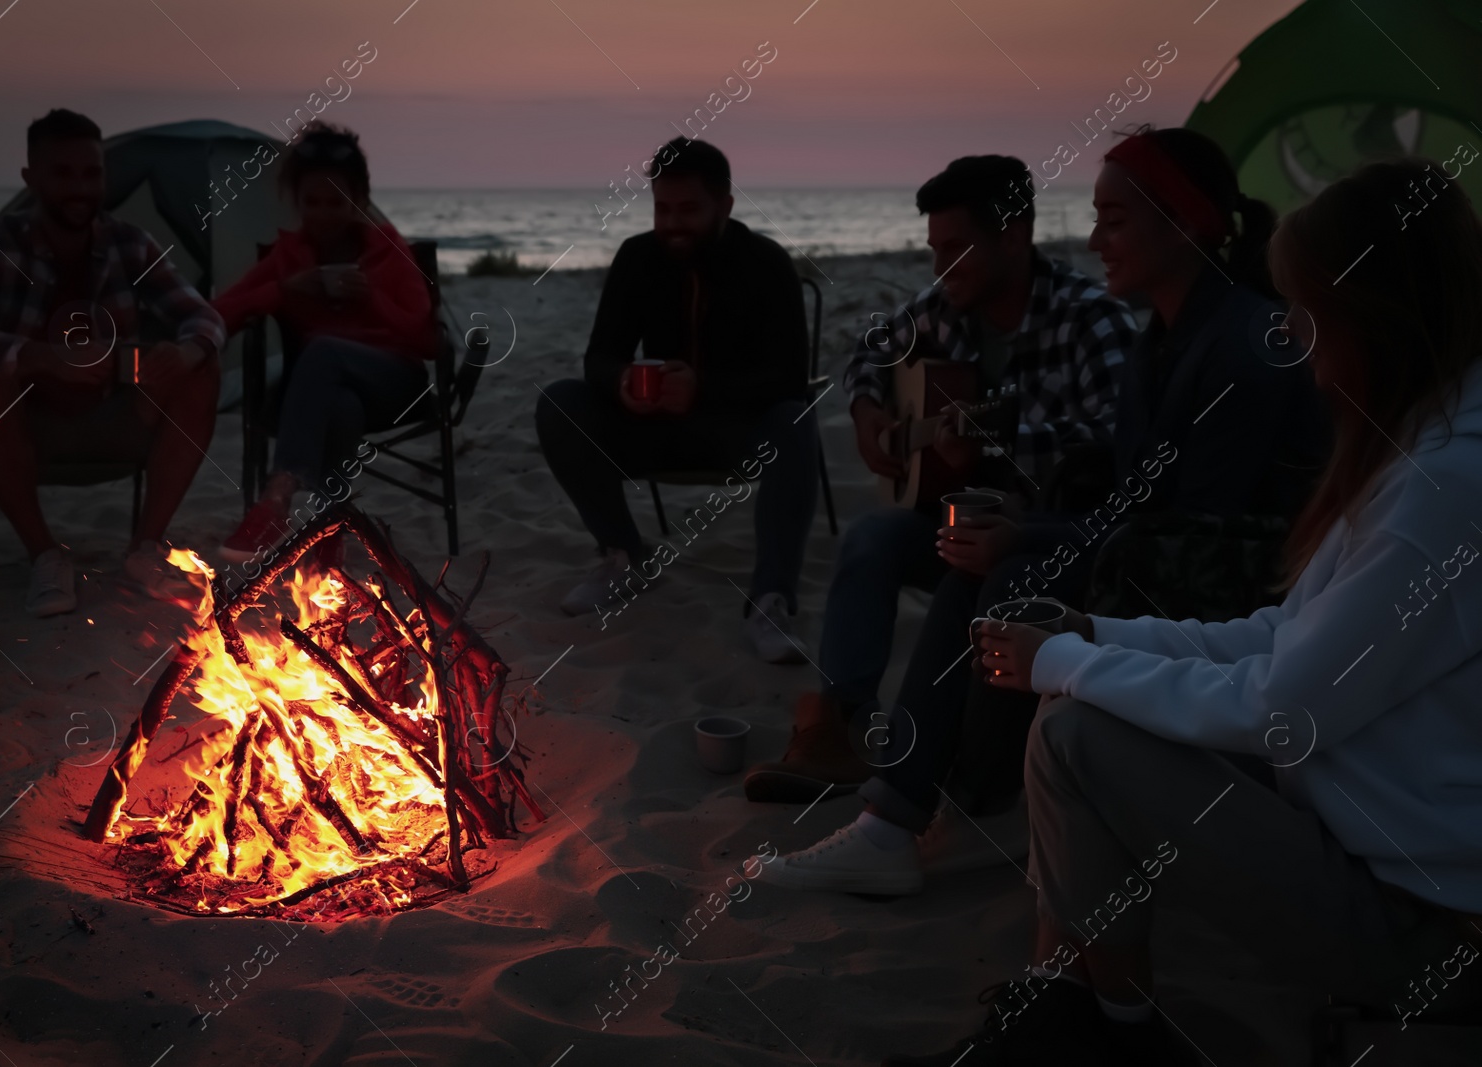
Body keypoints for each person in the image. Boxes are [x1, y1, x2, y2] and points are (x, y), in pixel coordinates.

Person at [881, 157, 1482, 1065]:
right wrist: (1093, 635)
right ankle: (1078, 1010)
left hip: (1427, 924)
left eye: (1308, 306)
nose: (1290, 331)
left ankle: (1092, 1024)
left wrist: (1060, 660)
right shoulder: (1429, 446)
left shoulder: (1442, 488)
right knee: (1075, 711)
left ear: (1377, 314)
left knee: (1080, 730)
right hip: (1364, 841)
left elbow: (1282, 712)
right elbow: (1285, 633)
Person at [761, 129, 1332, 894]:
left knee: (1016, 574)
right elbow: (1140, 504)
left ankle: (952, 801)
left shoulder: (1232, 347)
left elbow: (1197, 535)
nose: (1095, 238)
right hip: (1163, 551)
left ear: (1187, 223)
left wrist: (1028, 525)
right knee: (940, 548)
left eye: (1115, 220)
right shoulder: (1160, 340)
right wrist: (877, 414)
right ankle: (887, 775)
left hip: (1245, 591)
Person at [744, 155, 1138, 799]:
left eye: (955, 249)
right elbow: (871, 350)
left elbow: (1116, 443)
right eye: (933, 249)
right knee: (871, 538)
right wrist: (871, 411)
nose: (938, 269)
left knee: (968, 569)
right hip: (961, 522)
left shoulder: (1092, 320)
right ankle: (839, 729)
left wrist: (999, 446)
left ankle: (944, 763)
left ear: (1014, 236)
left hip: (1049, 541)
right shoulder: (947, 307)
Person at [0, 108, 225, 617]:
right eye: (63, 174)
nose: (80, 188)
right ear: (30, 179)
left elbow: (203, 317)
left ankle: (145, 550)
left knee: (201, 370)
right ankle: (45, 554)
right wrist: (39, 358)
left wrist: (185, 349)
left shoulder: (128, 243)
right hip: (17, 428)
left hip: (112, 417)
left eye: (91, 173)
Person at [535, 136, 819, 662]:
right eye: (663, 209)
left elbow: (790, 378)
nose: (672, 224)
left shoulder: (766, 263)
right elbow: (599, 358)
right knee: (560, 403)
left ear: (725, 206)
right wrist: (621, 383)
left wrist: (704, 387)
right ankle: (624, 557)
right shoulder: (638, 258)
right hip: (654, 428)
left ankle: (770, 599)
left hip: (738, 433)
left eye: (688, 210)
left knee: (795, 419)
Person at [212, 122, 437, 562]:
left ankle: (278, 492)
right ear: (296, 201)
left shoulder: (387, 248)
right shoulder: (290, 256)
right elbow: (220, 313)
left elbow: (427, 341)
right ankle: (326, 533)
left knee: (324, 351)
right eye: (311, 202)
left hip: (395, 383)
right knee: (340, 405)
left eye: (337, 202)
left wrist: (372, 299)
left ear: (360, 199)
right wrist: (287, 289)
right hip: (321, 395)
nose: (324, 214)